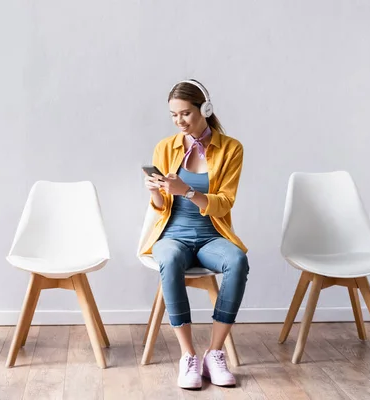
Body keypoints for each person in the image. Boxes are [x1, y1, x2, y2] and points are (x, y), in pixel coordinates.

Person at [140, 79, 249, 389]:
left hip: (212, 234)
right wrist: (156, 192)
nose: (180, 122)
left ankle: (214, 354)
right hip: (172, 235)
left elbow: (224, 203)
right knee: (171, 260)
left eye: (185, 114)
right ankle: (188, 356)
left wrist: (186, 190)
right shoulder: (166, 147)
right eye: (174, 116)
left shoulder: (231, 149)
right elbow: (161, 208)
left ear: (206, 109)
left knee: (237, 261)